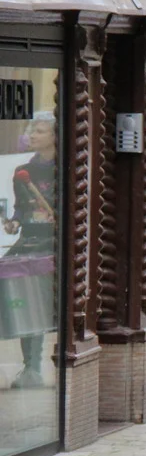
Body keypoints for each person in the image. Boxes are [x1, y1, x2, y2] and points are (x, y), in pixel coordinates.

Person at [1, 113, 58, 388]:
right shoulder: (23, 172)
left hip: (55, 242)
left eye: (40, 130)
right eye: (32, 130)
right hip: (30, 242)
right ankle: (30, 367)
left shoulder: (66, 168)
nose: (33, 135)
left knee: (45, 301)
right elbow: (21, 210)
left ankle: (42, 364)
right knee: (21, 297)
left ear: (55, 137)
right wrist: (13, 223)